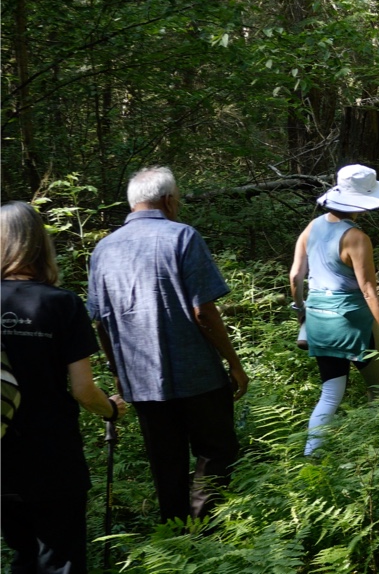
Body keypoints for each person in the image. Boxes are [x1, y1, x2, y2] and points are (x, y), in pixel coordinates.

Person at [87, 167, 248, 524]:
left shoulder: (103, 250)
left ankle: (174, 533)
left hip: (142, 379)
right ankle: (205, 529)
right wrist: (234, 364)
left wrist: (118, 372)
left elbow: (101, 322)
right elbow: (203, 311)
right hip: (199, 375)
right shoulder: (183, 237)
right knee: (216, 449)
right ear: (169, 200)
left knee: (165, 459)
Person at [1, 201, 129, 573]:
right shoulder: (63, 304)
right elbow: (83, 390)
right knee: (60, 558)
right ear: (39, 244)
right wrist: (111, 409)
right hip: (52, 455)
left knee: (21, 555)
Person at [291, 164, 379, 453]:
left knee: (331, 393)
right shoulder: (357, 238)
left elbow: (295, 276)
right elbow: (369, 290)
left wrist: (301, 312)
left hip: (319, 320)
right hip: (353, 323)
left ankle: (311, 457)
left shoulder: (313, 226)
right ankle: (375, 453)